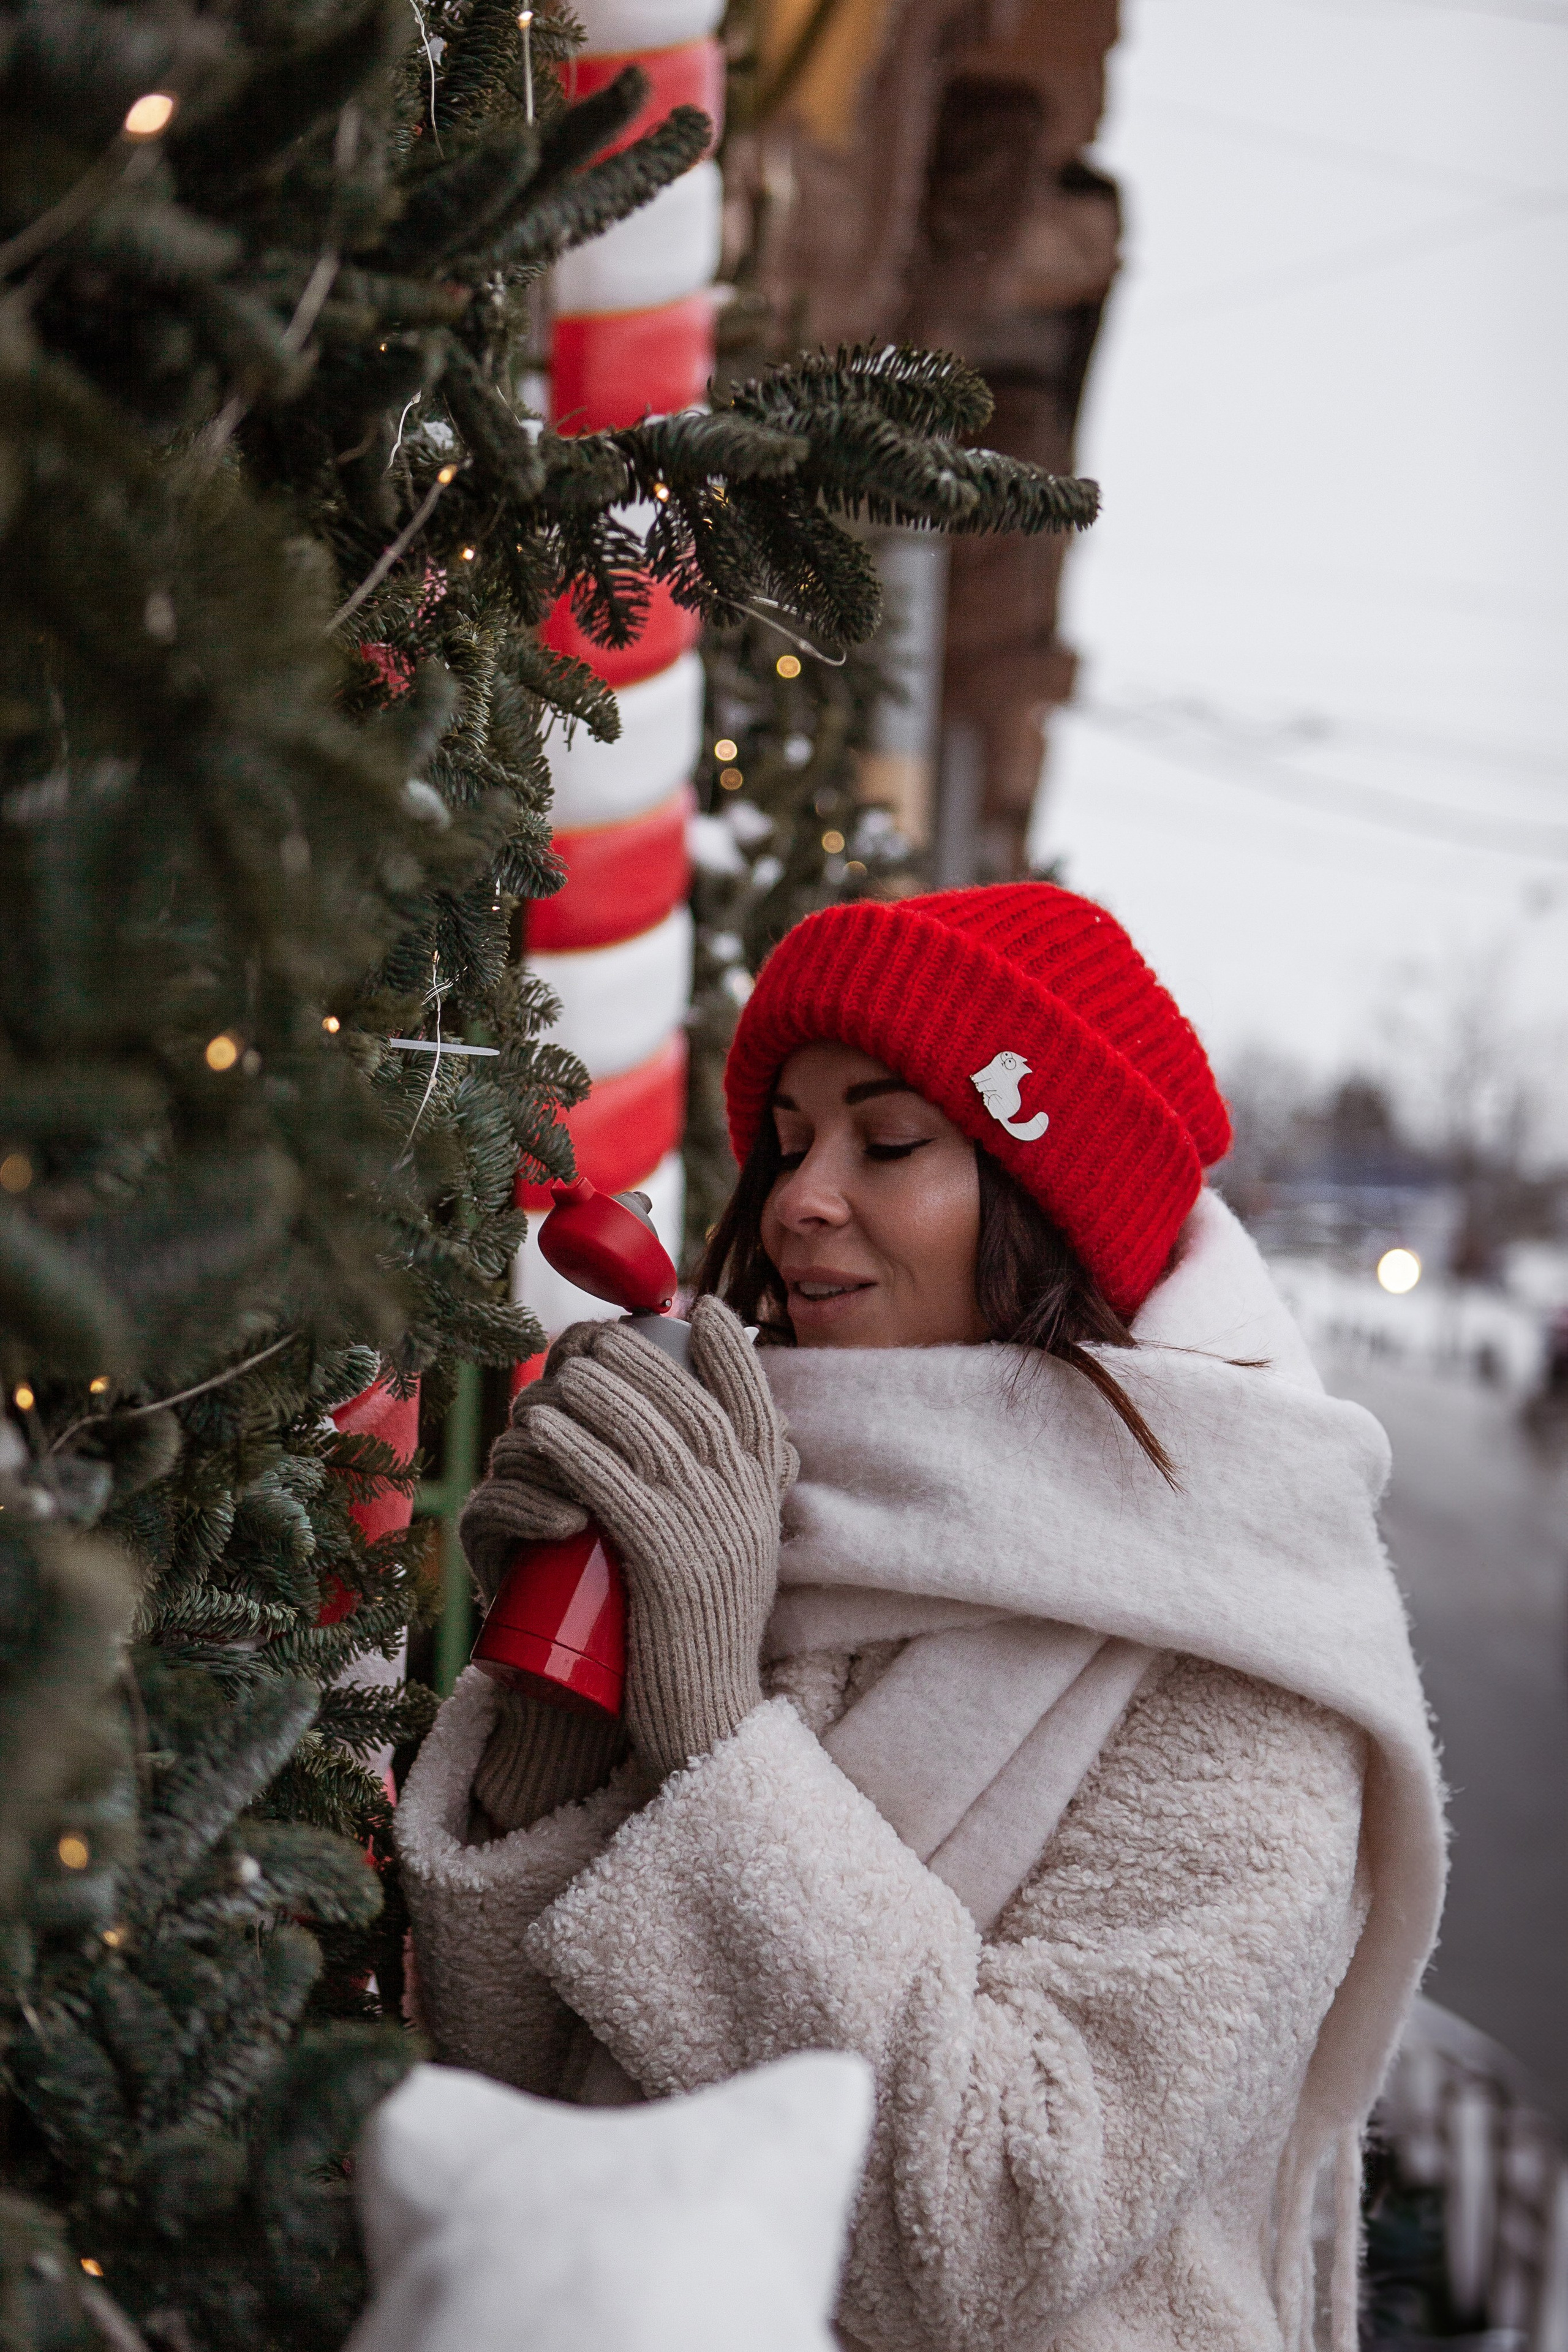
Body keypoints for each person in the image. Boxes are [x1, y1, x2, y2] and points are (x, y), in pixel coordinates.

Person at [396, 884, 1446, 2352]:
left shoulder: (1239, 1641)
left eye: (887, 1142)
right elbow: (519, 2093)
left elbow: (993, 2228)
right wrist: (554, 1741)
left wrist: (709, 1740)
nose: (797, 1198)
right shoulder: (751, 1492)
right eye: (787, 1140)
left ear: (1046, 1205)